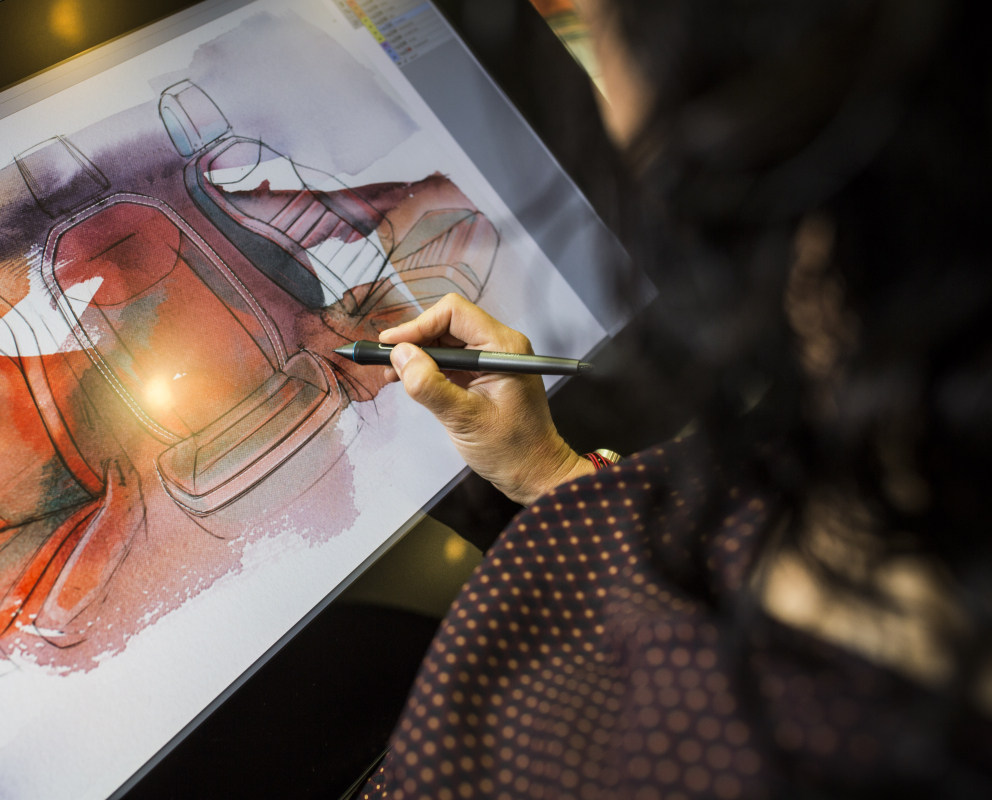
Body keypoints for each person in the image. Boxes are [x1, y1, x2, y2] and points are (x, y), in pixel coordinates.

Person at [358, 0, 992, 797]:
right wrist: (551, 474)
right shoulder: (904, 438)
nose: (607, 108)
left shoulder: (663, 746)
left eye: (607, 34)